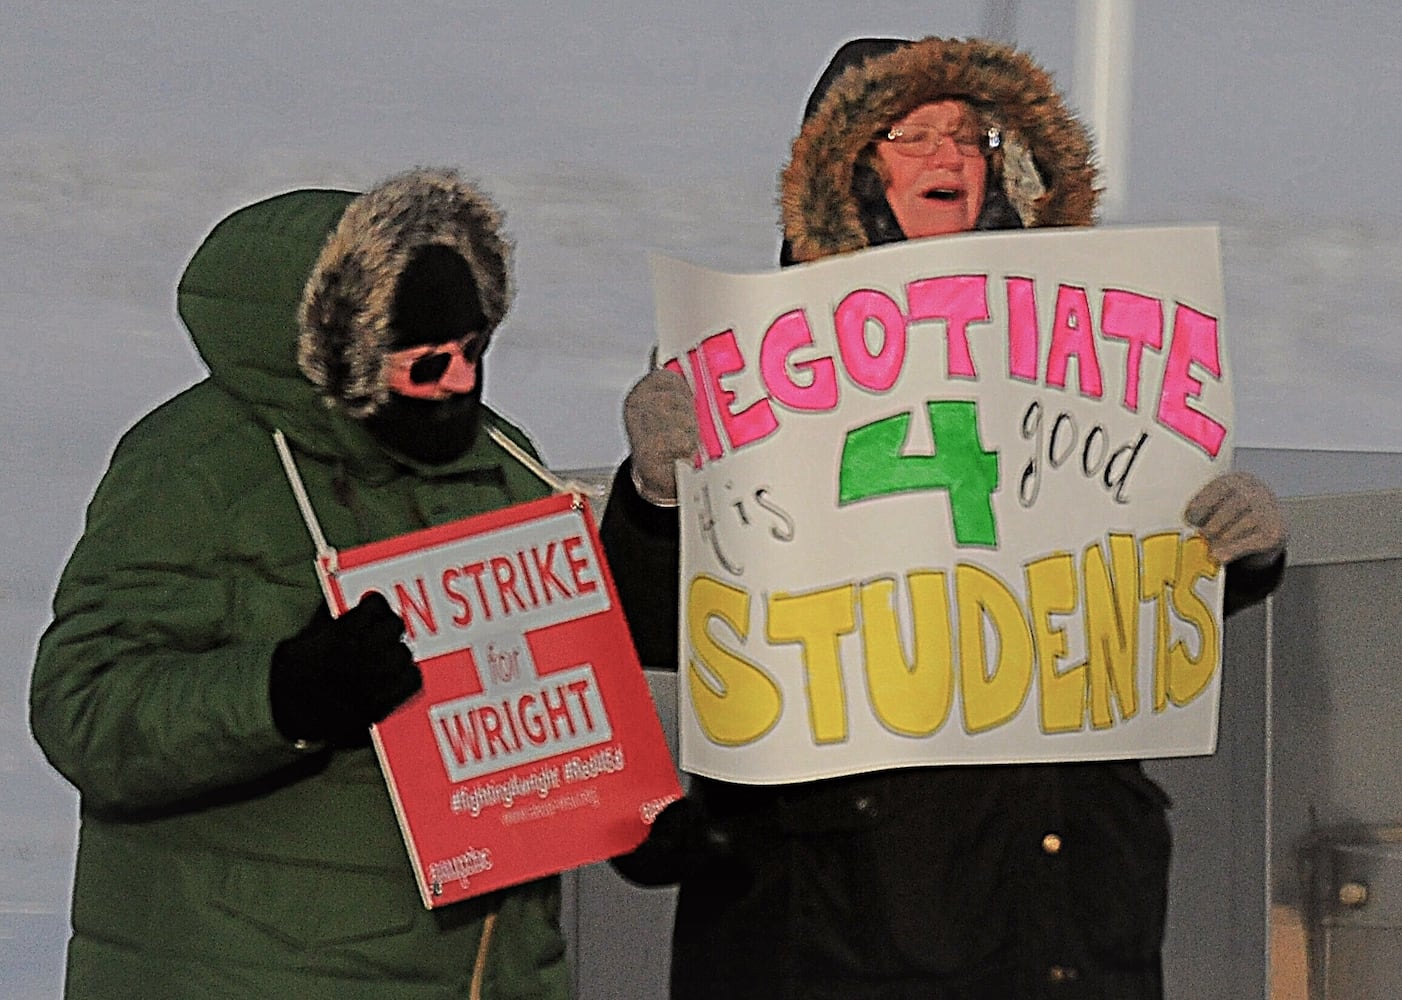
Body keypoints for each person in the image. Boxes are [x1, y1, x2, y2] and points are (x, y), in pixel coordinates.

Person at [600, 37, 1289, 1000]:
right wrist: (654, 495)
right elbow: (654, 625)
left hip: (1072, 907)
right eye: (909, 134)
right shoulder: (745, 356)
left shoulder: (1100, 332)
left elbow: (1125, 600)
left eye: (969, 135)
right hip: (846, 924)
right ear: (846, 167)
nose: (949, 158)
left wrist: (1241, 549)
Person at [30, 168, 569, 999]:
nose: (462, 383)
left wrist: (631, 817)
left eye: (474, 351)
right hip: (249, 972)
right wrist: (284, 694)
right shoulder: (198, 469)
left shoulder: (500, 463)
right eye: (428, 364)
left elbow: (560, 688)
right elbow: (86, 708)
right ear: (345, 354)